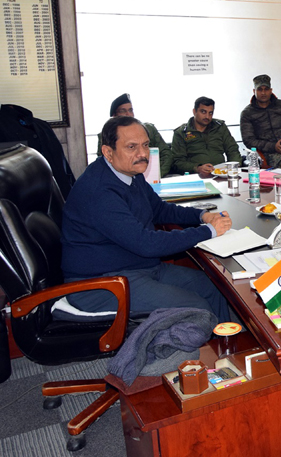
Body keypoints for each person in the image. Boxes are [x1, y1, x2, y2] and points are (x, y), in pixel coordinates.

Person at [62, 117, 232, 321]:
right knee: (197, 307)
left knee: (214, 286)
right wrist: (209, 231)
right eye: (131, 147)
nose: (142, 154)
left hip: (137, 266)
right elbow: (146, 244)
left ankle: (227, 340)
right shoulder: (99, 191)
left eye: (145, 145)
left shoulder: (130, 173)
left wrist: (201, 215)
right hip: (101, 283)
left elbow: (158, 209)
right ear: (108, 152)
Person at [240, 74, 281, 172]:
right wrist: (273, 146)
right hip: (268, 154)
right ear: (254, 91)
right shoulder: (247, 113)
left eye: (266, 89)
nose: (263, 93)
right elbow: (249, 140)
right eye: (260, 89)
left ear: (271, 90)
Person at [97, 93, 173, 177]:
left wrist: (158, 174)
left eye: (130, 110)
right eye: (123, 111)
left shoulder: (148, 129)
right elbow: (105, 163)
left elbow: (166, 154)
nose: (128, 114)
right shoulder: (106, 134)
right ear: (114, 115)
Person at [172, 97, 242, 176]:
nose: (207, 117)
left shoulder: (219, 127)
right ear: (194, 111)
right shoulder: (181, 132)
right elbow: (177, 162)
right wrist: (197, 168)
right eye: (203, 112)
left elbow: (232, 150)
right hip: (195, 175)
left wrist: (233, 169)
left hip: (221, 174)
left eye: (210, 113)